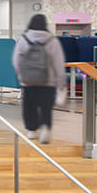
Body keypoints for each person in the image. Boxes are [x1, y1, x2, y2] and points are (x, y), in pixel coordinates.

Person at [13, 13, 66, 144]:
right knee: (46, 106)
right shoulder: (52, 41)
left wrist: (21, 76)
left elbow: (16, 60)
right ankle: (46, 129)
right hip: (48, 81)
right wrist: (61, 84)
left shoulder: (23, 39)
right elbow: (59, 64)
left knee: (29, 105)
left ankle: (31, 130)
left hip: (28, 81)